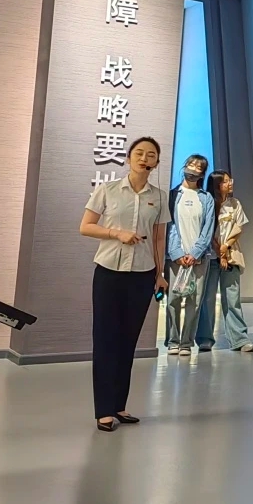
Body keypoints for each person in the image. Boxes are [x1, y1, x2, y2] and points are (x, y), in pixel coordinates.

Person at [80, 136, 170, 432]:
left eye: (151, 155)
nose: (145, 158)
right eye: (139, 153)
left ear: (156, 162)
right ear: (128, 158)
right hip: (109, 272)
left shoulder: (159, 197)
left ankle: (119, 404)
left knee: (128, 341)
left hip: (143, 274)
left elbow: (158, 238)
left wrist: (160, 274)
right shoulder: (107, 190)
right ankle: (103, 410)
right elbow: (85, 226)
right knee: (106, 340)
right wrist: (116, 234)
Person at [165, 155, 216, 357]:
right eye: (190, 165)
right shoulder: (172, 195)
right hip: (175, 257)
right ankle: (173, 341)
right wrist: (177, 252)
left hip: (199, 258)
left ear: (202, 174)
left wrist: (195, 253)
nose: (193, 169)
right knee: (173, 300)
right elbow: (169, 226)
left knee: (194, 301)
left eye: (198, 167)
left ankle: (186, 342)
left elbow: (208, 228)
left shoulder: (206, 198)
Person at [205, 171, 253, 352]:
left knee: (232, 298)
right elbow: (207, 231)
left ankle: (239, 339)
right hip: (211, 257)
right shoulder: (208, 203)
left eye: (229, 180)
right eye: (225, 181)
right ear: (216, 185)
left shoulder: (235, 204)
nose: (230, 183)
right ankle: (204, 339)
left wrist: (226, 247)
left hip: (231, 255)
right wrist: (220, 253)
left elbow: (238, 228)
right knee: (208, 299)